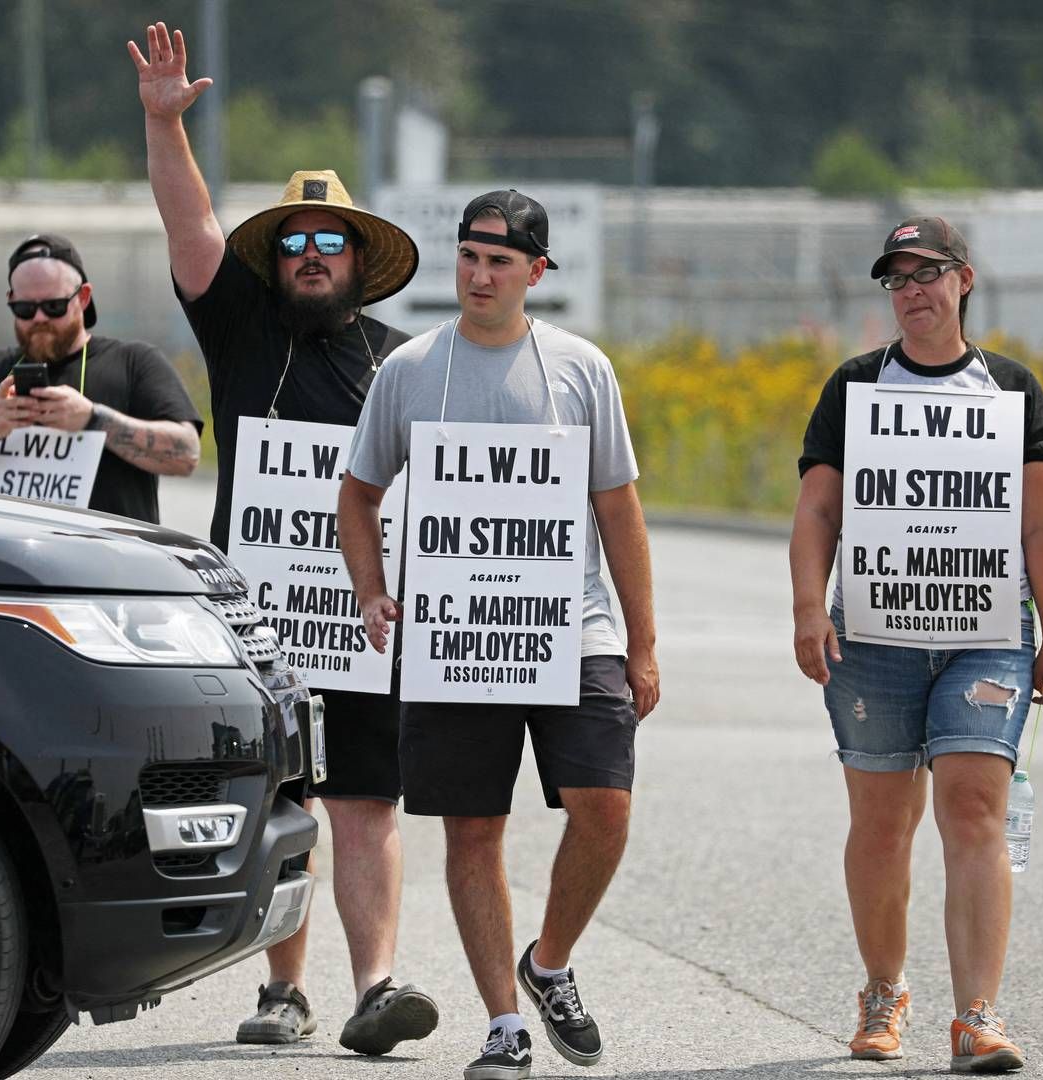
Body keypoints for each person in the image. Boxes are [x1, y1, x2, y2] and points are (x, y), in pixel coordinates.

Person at [128, 20, 438, 1056]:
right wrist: (164, 125)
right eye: (295, 243)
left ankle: (378, 987)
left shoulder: (405, 361)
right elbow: (191, 229)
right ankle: (282, 992)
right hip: (257, 616)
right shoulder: (243, 329)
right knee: (283, 798)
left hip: (364, 614)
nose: (310, 256)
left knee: (366, 805)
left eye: (328, 242)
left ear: (358, 259)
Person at [338, 190, 660, 1080]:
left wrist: (641, 642)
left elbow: (619, 509)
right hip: (456, 634)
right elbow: (358, 495)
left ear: (535, 273)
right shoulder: (410, 369)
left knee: (606, 807)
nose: (479, 275)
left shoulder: (580, 368)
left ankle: (547, 961)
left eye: (500, 261)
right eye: (469, 256)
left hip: (575, 624)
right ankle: (506, 1026)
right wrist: (370, 590)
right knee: (473, 831)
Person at [789, 216, 1043, 1074]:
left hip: (985, 636)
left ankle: (977, 1018)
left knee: (975, 811)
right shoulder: (855, 387)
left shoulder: (1011, 389)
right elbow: (817, 511)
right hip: (874, 639)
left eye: (928, 273)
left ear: (965, 280)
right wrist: (810, 607)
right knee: (882, 825)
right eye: (897, 278)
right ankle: (883, 994)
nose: (912, 290)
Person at [0, 234, 202, 522]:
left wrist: (94, 419)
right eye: (25, 309)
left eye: (54, 307)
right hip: (3, 563)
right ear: (11, 302)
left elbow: (187, 453)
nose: (39, 318)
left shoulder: (134, 363)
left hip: (107, 563)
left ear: (84, 298)